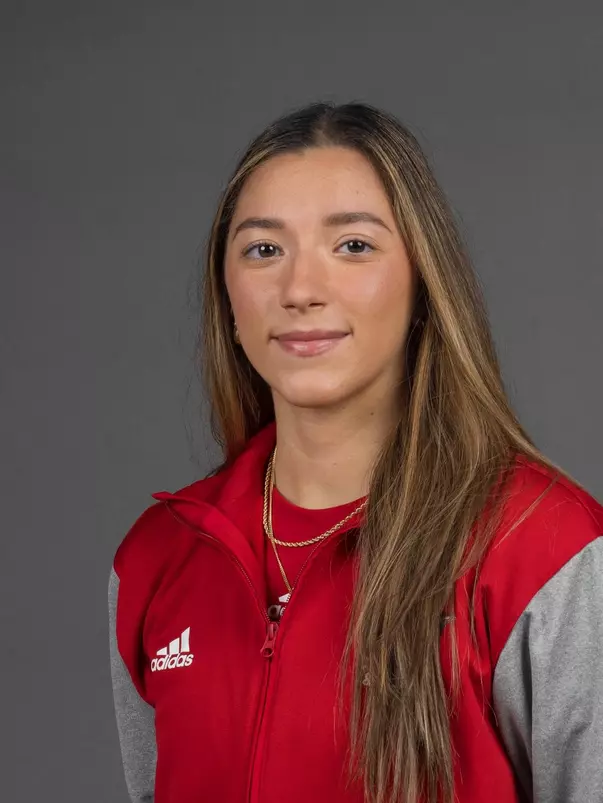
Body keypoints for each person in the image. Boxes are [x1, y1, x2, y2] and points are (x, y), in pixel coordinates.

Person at [108, 101, 603, 803]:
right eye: (263, 249)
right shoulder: (156, 560)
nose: (301, 290)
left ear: (421, 281)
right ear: (227, 294)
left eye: (353, 246)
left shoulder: (540, 548)